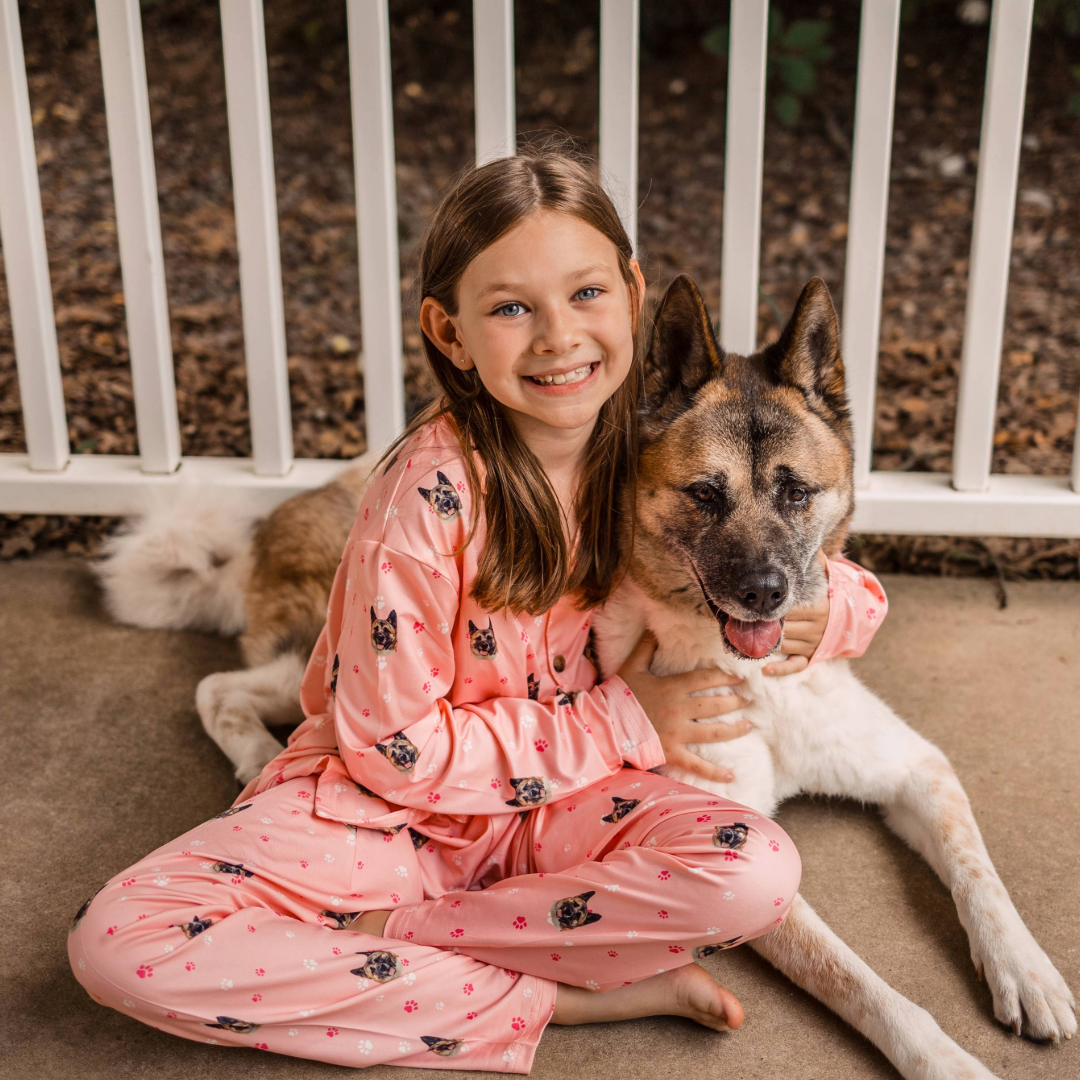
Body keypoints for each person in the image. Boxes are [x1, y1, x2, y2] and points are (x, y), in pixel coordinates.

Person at [68, 146, 887, 1073]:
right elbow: (394, 751)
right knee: (119, 940)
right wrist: (623, 718)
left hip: (572, 809)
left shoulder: (657, 440)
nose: (557, 338)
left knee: (758, 873)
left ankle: (388, 943)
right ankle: (553, 995)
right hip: (394, 822)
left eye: (585, 295)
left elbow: (783, 541)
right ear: (450, 332)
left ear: (632, 295)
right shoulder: (422, 502)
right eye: (509, 308)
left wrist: (845, 608)